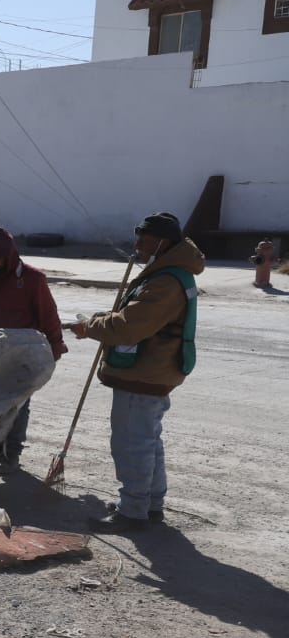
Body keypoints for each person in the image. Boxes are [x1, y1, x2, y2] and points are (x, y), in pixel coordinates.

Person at [70, 212, 203, 532]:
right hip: (153, 371)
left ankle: (132, 511)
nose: (138, 245)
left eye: (145, 240)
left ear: (163, 242)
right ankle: (150, 504)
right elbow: (135, 315)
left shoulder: (166, 281)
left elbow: (130, 327)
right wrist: (101, 320)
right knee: (147, 441)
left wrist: (90, 328)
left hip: (144, 374)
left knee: (132, 443)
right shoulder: (169, 274)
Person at [0, 227, 68, 474]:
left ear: (9, 256)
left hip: (23, 356)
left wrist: (55, 346)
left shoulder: (33, 279)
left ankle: (11, 454)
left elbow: (48, 316)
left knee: (18, 406)